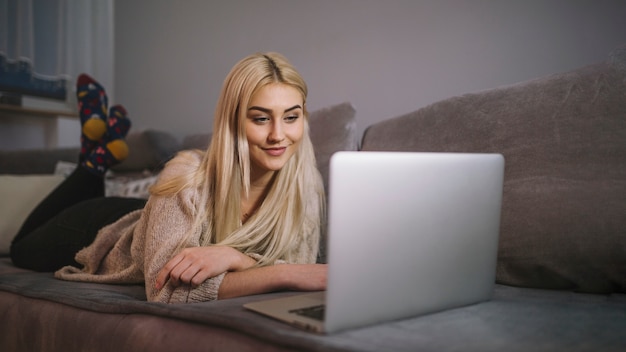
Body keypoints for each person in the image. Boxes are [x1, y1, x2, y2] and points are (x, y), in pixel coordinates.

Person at [10, 52, 328, 303]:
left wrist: (236, 258)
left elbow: (300, 267)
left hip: (158, 218)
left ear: (304, 117)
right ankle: (94, 163)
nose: (278, 135)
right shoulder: (186, 171)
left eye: (291, 117)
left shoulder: (306, 186)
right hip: (98, 229)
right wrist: (282, 274)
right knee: (20, 247)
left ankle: (98, 151)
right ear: (232, 123)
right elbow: (167, 292)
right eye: (260, 118)